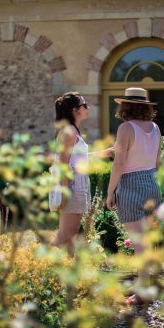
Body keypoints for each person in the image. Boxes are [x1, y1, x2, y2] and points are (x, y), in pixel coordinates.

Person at [106, 87, 162, 254]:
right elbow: (157, 162)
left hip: (131, 187)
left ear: (125, 107)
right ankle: (150, 278)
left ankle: (144, 280)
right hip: (152, 185)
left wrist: (110, 192)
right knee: (147, 242)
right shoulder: (155, 128)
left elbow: (119, 164)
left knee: (139, 244)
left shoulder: (126, 128)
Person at [53, 91, 90, 256]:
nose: (87, 108)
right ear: (75, 110)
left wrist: (107, 152)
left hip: (77, 185)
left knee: (70, 236)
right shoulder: (69, 131)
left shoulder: (72, 130)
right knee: (65, 236)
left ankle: (68, 278)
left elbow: (76, 159)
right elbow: (63, 163)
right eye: (85, 105)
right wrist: (65, 191)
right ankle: (38, 269)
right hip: (73, 187)